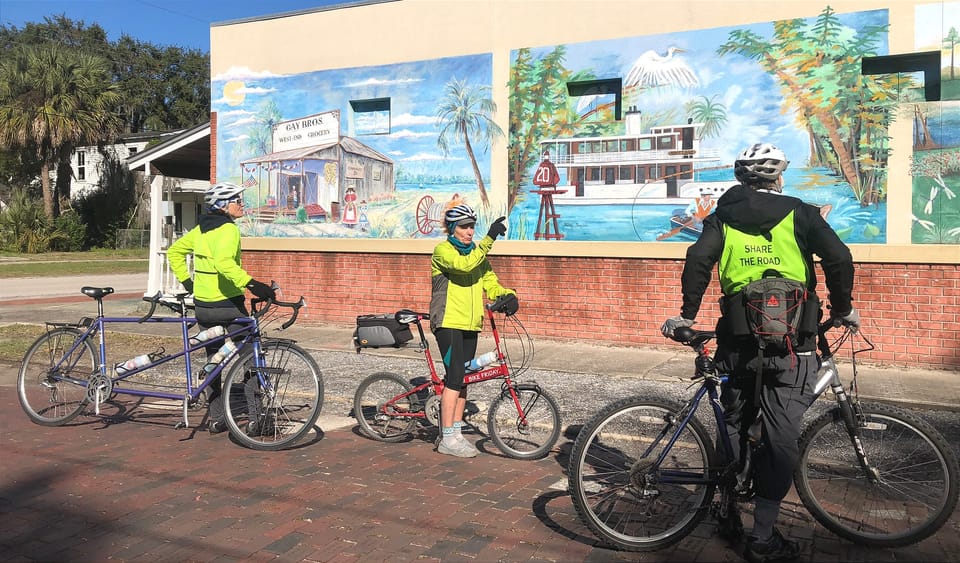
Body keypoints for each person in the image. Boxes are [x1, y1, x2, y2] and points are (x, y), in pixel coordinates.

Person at [660, 143, 857, 562]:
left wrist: (687, 313)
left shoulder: (722, 217)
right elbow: (839, 257)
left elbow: (698, 259)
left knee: (733, 420)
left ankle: (727, 509)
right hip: (791, 343)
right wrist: (842, 309)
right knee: (781, 439)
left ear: (742, 179)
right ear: (777, 177)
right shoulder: (800, 212)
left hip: (737, 340)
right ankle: (764, 537)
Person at [168, 181, 277, 434]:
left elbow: (174, 252)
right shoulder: (228, 230)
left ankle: (217, 418)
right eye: (238, 200)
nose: (242, 204)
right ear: (223, 205)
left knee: (213, 361)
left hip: (204, 307)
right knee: (250, 358)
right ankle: (255, 418)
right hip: (229, 305)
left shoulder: (201, 230)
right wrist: (253, 284)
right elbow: (224, 264)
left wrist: (188, 282)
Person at [429, 204, 519, 458]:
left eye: (472, 227)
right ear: (452, 228)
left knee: (465, 378)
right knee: (455, 376)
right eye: (464, 227)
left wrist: (507, 296)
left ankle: (455, 433)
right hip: (447, 322)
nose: (469, 232)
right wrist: (489, 239)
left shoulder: (477, 255)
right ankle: (447, 438)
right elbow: (465, 266)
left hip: (470, 324)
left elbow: (489, 281)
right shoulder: (442, 251)